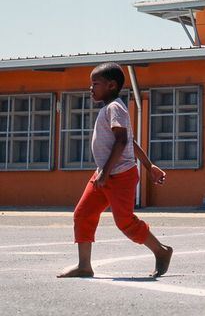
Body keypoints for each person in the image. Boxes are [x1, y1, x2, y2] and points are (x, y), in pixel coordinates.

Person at [58, 62, 172, 278]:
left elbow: (121, 141)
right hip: (105, 173)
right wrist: (149, 166)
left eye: (95, 84)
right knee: (83, 214)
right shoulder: (110, 109)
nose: (91, 88)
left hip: (120, 176)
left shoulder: (114, 108)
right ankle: (84, 265)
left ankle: (161, 251)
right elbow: (130, 141)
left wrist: (105, 172)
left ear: (111, 85)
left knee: (125, 221)